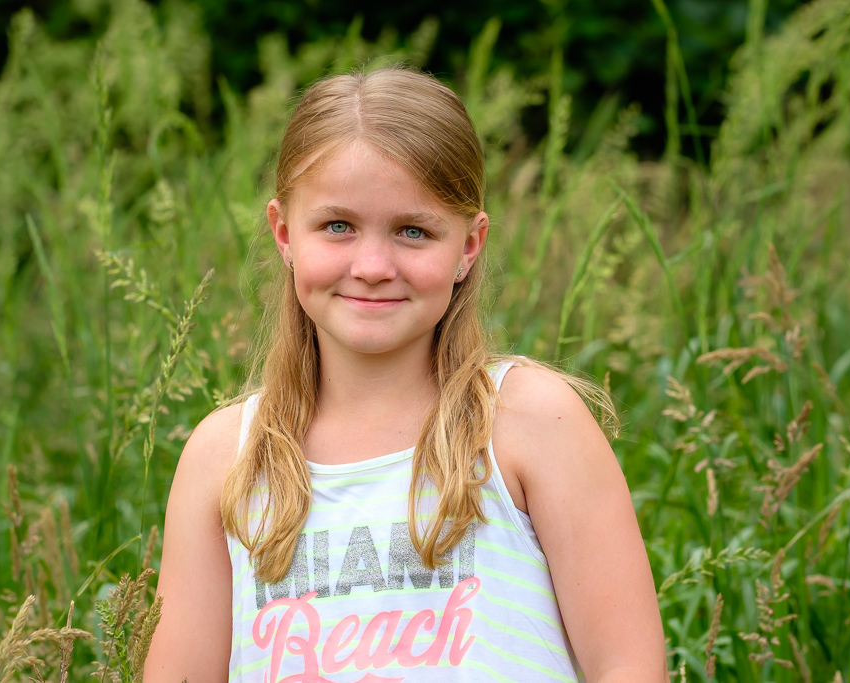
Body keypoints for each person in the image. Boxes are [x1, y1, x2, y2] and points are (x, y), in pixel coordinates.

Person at [145, 66, 666, 683]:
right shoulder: (225, 458)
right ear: (284, 232)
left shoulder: (529, 422)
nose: (371, 266)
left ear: (468, 246)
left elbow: (628, 666)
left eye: (412, 231)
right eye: (337, 226)